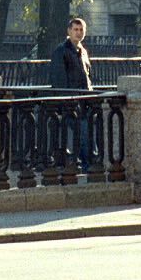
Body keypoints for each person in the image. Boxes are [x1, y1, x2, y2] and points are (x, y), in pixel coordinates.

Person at [50, 15, 94, 170]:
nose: (79, 33)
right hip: (70, 104)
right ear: (69, 31)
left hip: (84, 103)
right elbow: (59, 80)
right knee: (82, 138)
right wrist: (66, 101)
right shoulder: (61, 51)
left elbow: (88, 77)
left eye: (81, 30)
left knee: (84, 138)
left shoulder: (83, 52)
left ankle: (86, 167)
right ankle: (87, 168)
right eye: (76, 29)